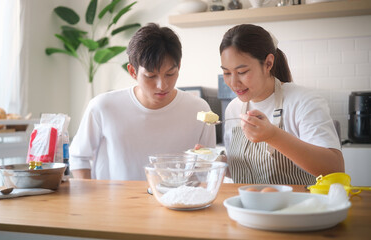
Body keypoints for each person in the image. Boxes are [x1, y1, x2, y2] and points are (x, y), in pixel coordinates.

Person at [69, 23, 216, 180]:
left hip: (179, 202)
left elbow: (209, 167)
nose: (162, 85)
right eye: (151, 76)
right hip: (115, 203)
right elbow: (79, 158)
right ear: (132, 71)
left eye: (170, 73)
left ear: (178, 66)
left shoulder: (198, 109)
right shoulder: (103, 107)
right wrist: (89, 201)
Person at [219, 24, 344, 185]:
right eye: (227, 73)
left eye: (242, 72)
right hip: (245, 207)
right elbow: (246, 168)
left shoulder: (303, 101)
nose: (233, 82)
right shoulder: (233, 108)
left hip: (298, 207)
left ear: (268, 63)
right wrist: (217, 162)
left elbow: (335, 168)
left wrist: (273, 136)